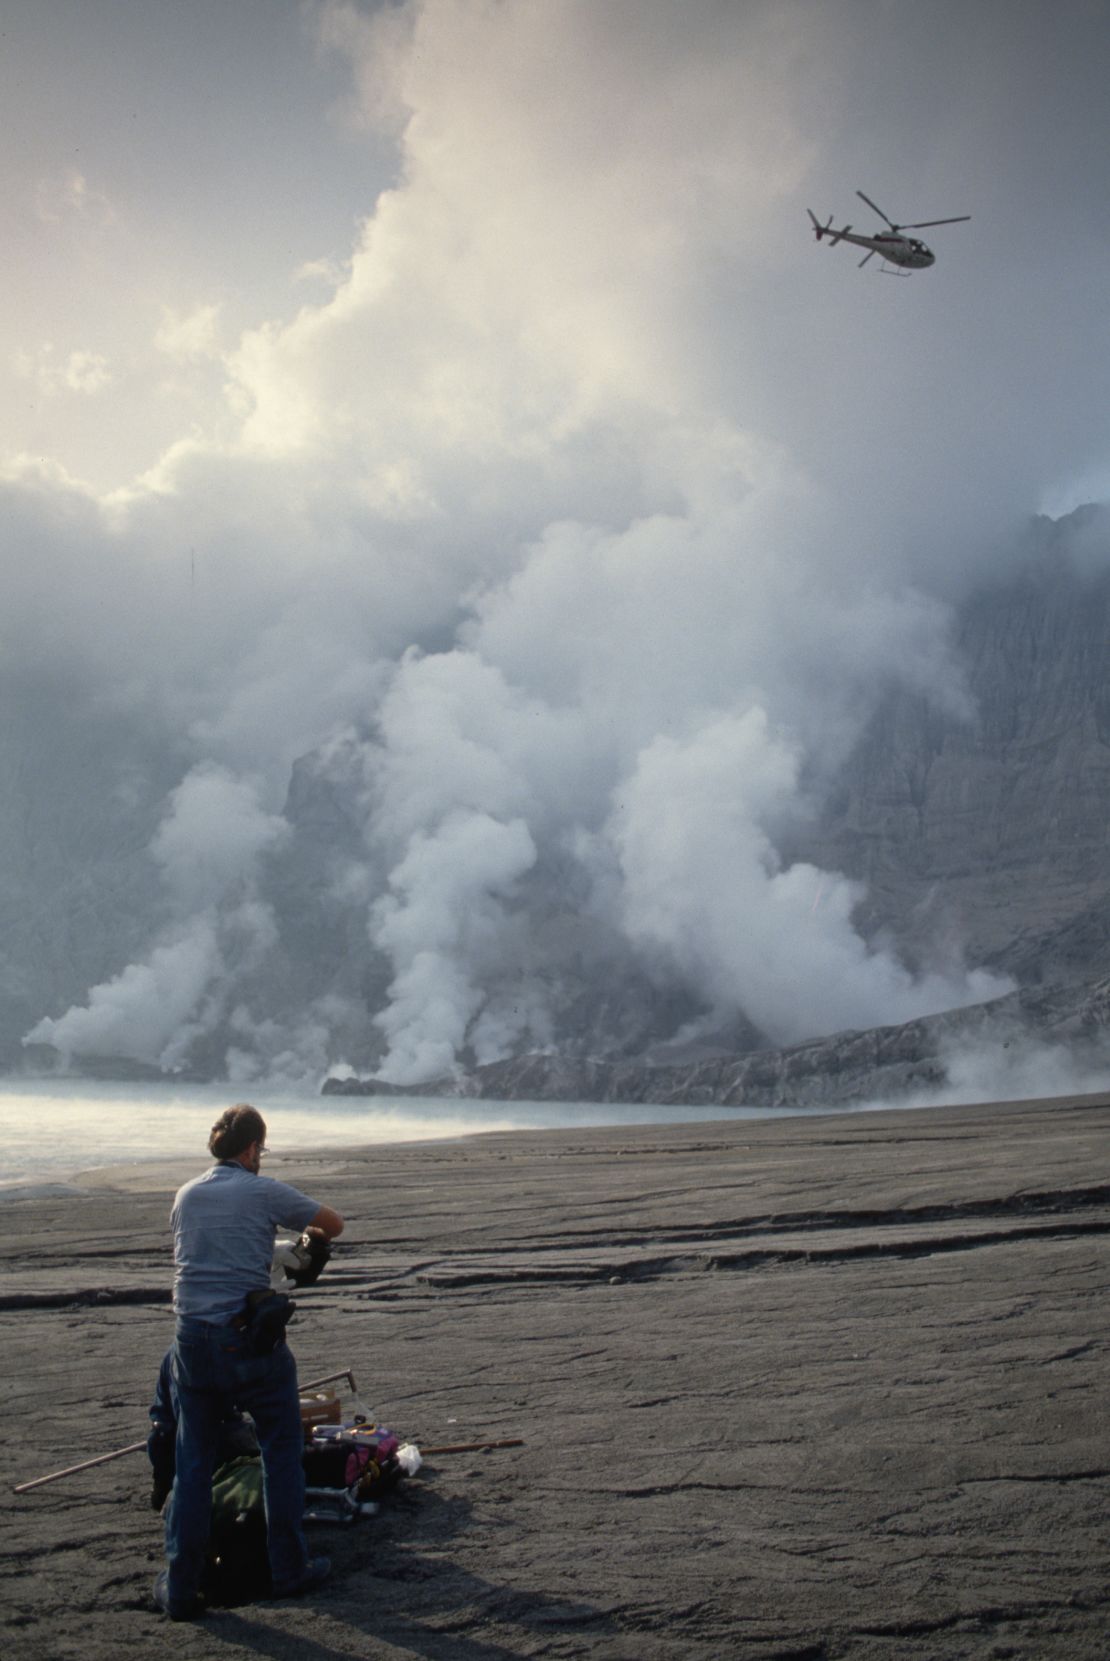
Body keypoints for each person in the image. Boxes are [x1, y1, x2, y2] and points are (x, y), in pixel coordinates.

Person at [153, 1104, 344, 1621]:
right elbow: (333, 1224)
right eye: (262, 1148)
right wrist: (306, 1246)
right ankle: (288, 1569)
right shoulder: (263, 1190)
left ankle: (180, 1587)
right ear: (252, 1148)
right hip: (247, 1343)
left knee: (192, 1462)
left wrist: (270, 1250)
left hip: (191, 1342)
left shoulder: (185, 1195)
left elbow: (209, 1254)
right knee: (280, 1448)